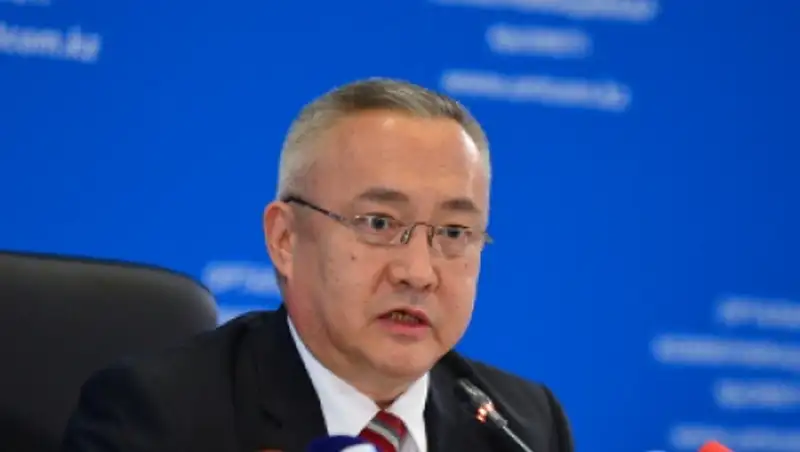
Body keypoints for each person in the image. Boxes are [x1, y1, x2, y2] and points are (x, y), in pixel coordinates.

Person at [60, 78, 574, 452]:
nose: (418, 272)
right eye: (378, 223)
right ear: (285, 239)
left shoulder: (524, 426)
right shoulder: (158, 418)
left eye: (455, 232)